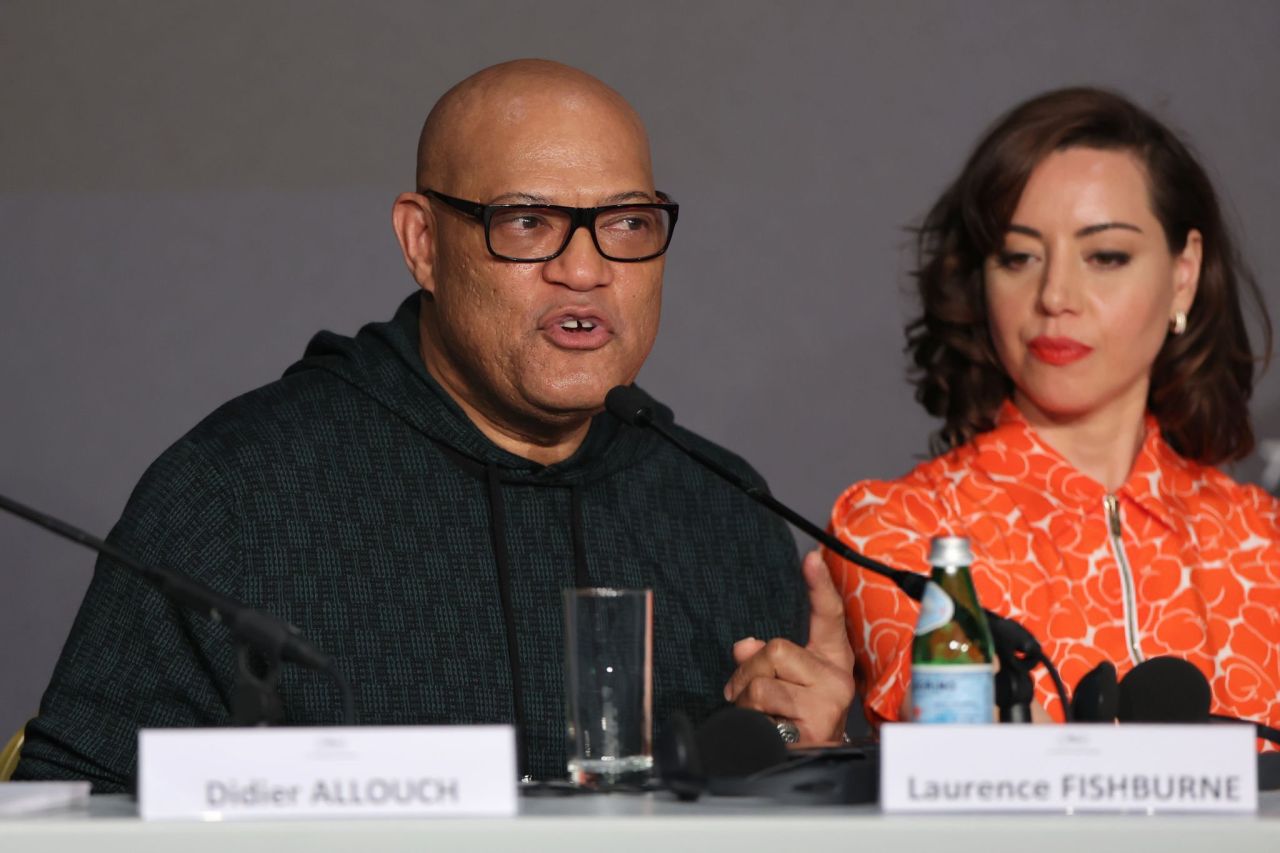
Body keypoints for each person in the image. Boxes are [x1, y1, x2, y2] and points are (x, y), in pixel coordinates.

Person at [14, 59, 830, 791]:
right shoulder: (236, 492)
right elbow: (67, 806)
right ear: (423, 243)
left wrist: (800, 749)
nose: (584, 270)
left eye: (626, 224)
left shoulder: (723, 511)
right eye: (525, 222)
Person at [826, 87, 1279, 741]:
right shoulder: (898, 531)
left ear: (1184, 273)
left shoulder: (1263, 540)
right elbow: (947, 738)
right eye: (1018, 257)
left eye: (1105, 256)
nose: (1055, 296)